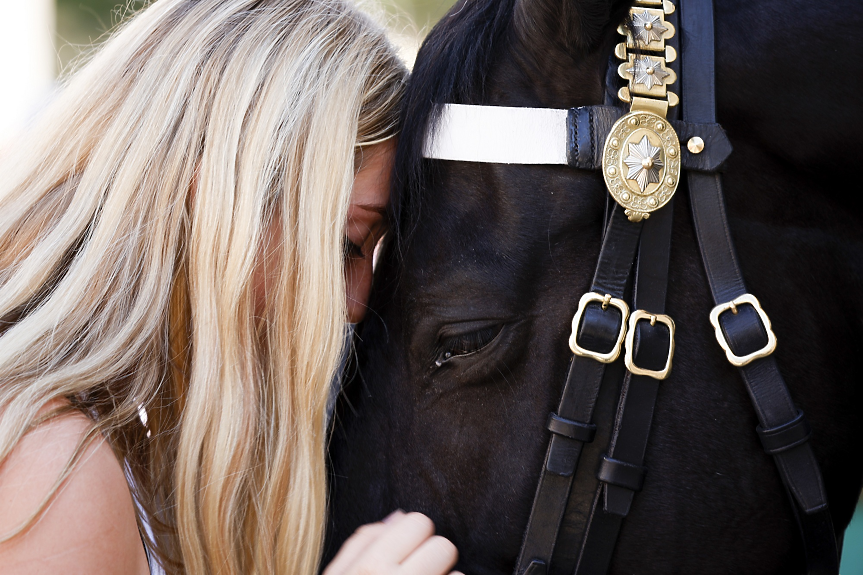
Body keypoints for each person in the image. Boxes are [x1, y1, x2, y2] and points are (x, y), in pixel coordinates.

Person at [0, 1, 459, 574]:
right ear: (216, 200)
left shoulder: (120, 442)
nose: (355, 302)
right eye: (345, 243)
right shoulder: (52, 467)